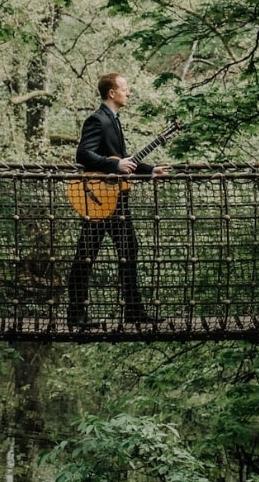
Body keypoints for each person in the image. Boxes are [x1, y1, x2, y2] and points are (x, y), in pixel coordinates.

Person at [67, 73, 170, 328]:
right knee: (86, 255)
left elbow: (123, 162)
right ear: (112, 93)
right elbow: (83, 154)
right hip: (99, 200)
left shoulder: (114, 120)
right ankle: (76, 315)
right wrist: (113, 165)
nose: (129, 93)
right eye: (125, 88)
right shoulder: (98, 119)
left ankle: (133, 311)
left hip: (116, 201)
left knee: (129, 250)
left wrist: (150, 170)